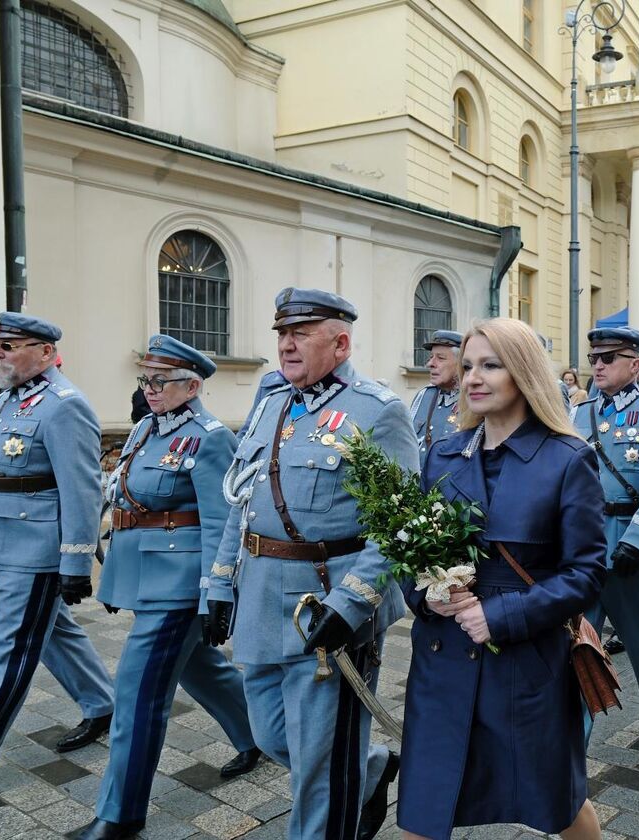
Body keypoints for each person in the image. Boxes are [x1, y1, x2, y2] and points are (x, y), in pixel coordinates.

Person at [204, 289, 419, 840]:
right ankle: (368, 766)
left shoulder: (379, 410)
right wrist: (221, 585)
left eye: (300, 333)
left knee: (320, 769)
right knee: (273, 737)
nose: (286, 344)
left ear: (341, 342)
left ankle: (340, 793)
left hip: (325, 603)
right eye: (281, 334)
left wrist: (351, 605)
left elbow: (398, 523)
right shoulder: (273, 401)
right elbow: (243, 500)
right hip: (260, 596)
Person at [397, 318, 607, 840]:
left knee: (558, 801)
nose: (473, 377)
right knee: (423, 805)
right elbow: (410, 555)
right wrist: (427, 596)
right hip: (443, 661)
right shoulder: (443, 455)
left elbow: (586, 573)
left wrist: (501, 615)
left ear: (523, 373)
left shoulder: (568, 459)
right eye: (468, 366)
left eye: (490, 365)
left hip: (525, 665)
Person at [74, 336, 260, 840]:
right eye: (145, 380)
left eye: (161, 381)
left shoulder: (210, 437)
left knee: (136, 693)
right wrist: (115, 577)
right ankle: (257, 733)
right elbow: (130, 504)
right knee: (199, 668)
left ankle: (120, 813)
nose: (150, 390)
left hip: (180, 586)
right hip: (147, 574)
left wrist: (214, 596)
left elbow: (224, 523)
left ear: (193, 385)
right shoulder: (145, 431)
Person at [0, 313, 115, 796]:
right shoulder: (2, 402)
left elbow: (82, 492)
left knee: (10, 652)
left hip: (37, 551)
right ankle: (103, 704)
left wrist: (75, 563)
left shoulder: (64, 406)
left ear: (46, 353)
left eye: (10, 345)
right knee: (52, 633)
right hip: (3, 541)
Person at [571, 327, 639, 745]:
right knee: (580, 640)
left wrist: (638, 539)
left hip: (630, 546)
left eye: (609, 358)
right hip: (585, 545)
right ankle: (575, 735)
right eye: (594, 358)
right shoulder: (580, 413)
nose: (597, 365)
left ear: (635, 364)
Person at [409, 329, 463, 459]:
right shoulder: (423, 396)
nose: (430, 364)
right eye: (431, 357)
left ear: (461, 364)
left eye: (440, 358)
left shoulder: (474, 401)